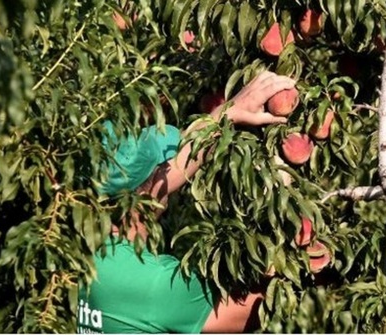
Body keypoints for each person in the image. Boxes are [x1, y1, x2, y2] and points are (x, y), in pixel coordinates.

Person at [77, 71, 297, 334]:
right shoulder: (152, 285)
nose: (170, 170)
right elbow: (258, 306)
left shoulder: (75, 247)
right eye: (162, 168)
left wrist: (229, 113)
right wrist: (284, 199)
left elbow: (172, 169)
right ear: (142, 197)